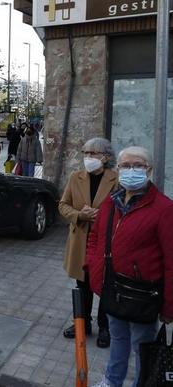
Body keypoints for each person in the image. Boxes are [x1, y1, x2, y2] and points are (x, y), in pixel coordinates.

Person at [86, 146, 173, 387]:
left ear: (149, 170)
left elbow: (171, 261)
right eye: (125, 166)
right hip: (114, 287)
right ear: (117, 169)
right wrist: (93, 265)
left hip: (143, 294)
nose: (130, 170)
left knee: (142, 347)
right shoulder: (111, 202)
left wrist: (168, 305)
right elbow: (95, 237)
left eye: (138, 165)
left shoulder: (164, 209)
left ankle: (142, 383)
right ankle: (112, 381)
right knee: (118, 339)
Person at [59, 138, 118, 349]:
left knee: (104, 284)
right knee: (82, 285)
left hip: (106, 242)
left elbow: (123, 209)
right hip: (80, 240)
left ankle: (105, 326)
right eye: (86, 153)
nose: (88, 158)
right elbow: (63, 205)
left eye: (93, 153)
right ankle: (82, 324)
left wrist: (102, 215)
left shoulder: (116, 179)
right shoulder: (76, 177)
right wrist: (79, 215)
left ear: (106, 157)